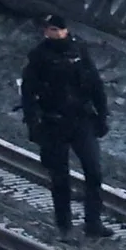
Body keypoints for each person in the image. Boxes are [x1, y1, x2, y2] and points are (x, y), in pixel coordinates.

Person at [20, 14, 111, 238]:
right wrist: (33, 124)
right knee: (60, 178)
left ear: (65, 30)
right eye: (50, 29)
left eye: (57, 29)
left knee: (94, 172)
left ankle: (93, 223)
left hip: (81, 120)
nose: (53, 33)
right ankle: (65, 227)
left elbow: (96, 85)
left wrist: (102, 116)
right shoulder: (38, 56)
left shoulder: (79, 51)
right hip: (53, 122)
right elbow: (28, 93)